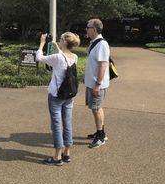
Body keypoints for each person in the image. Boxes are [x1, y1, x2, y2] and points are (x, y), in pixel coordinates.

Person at [36, 32, 81, 166]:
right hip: (69, 95)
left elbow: (39, 57)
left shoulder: (57, 58)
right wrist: (55, 44)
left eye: (61, 39)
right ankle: (66, 153)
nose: (60, 41)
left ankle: (57, 157)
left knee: (56, 125)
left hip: (56, 95)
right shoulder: (75, 57)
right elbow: (63, 56)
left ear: (65, 42)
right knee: (67, 123)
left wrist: (42, 43)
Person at [84, 18, 110, 148]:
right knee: (95, 109)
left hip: (97, 84)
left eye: (87, 27)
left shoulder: (102, 44)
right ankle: (100, 132)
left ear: (93, 29)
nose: (86, 29)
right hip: (92, 83)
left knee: (96, 108)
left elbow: (103, 65)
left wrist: (98, 84)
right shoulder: (94, 42)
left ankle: (101, 136)